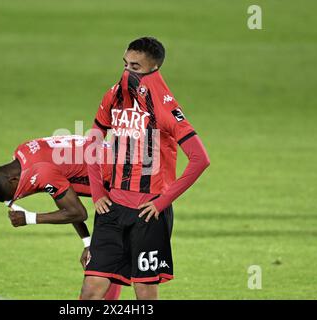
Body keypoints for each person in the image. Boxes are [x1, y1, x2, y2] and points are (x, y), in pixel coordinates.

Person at [81, 37, 210, 300]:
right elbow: (92, 142)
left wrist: (162, 202)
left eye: (136, 67)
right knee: (92, 287)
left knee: (145, 291)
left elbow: (200, 158)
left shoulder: (165, 106)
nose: (127, 72)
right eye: (125, 64)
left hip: (148, 214)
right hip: (112, 209)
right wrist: (97, 191)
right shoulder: (114, 95)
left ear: (153, 68)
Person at [0, 135, 121, 300]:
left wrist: (29, 218)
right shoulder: (23, 151)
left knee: (102, 270)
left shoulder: (41, 171)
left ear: (13, 180)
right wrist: (87, 243)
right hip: (117, 177)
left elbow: (78, 212)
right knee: (107, 263)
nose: (20, 196)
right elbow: (65, 200)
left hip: (123, 185)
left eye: (15, 194)